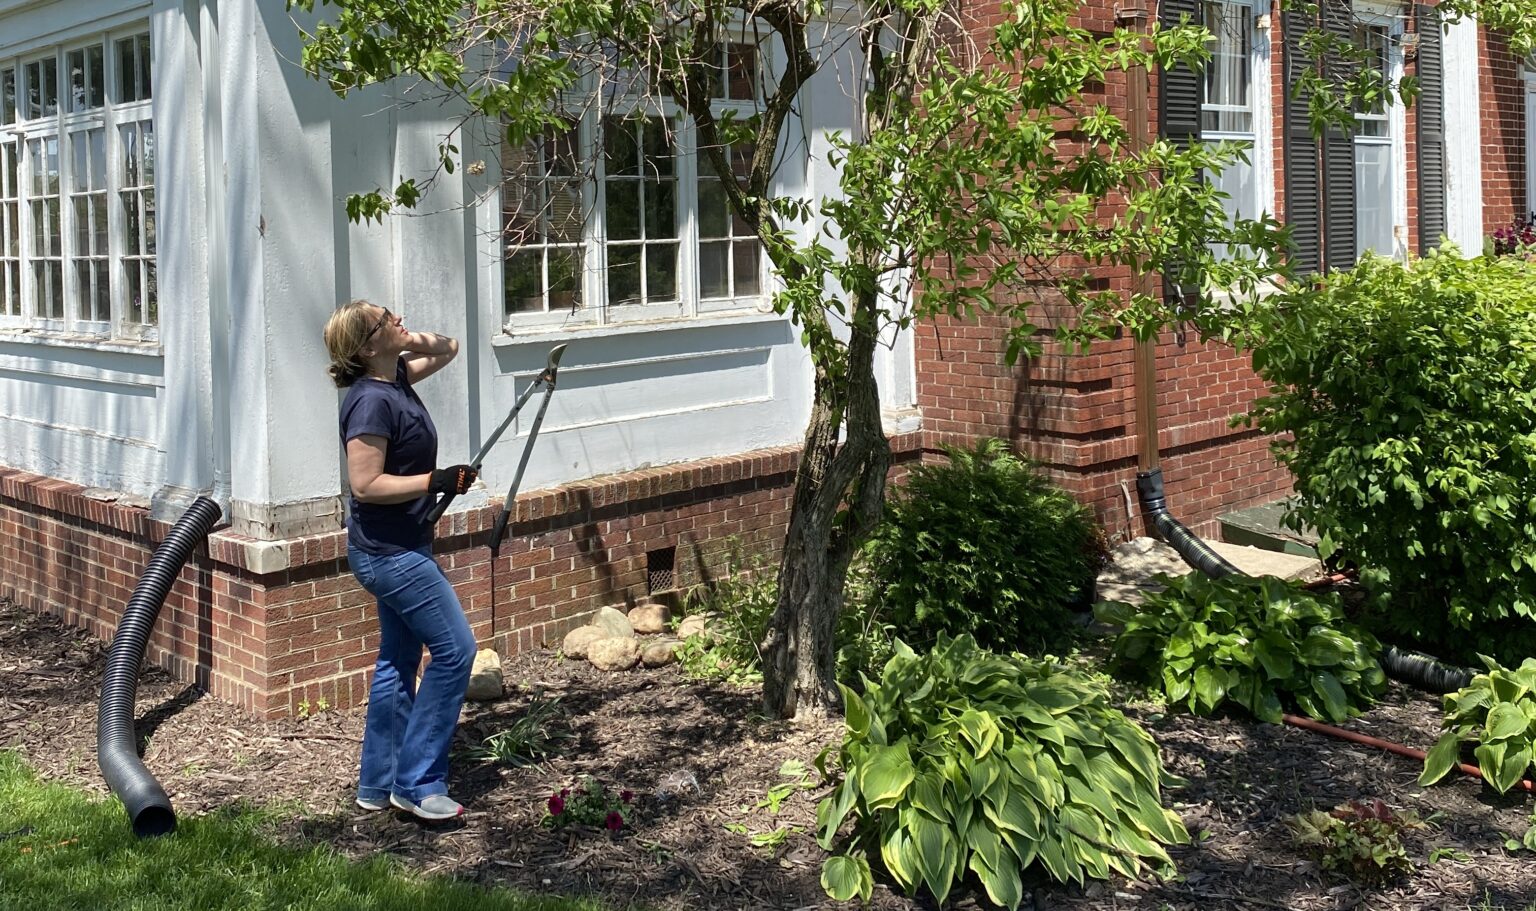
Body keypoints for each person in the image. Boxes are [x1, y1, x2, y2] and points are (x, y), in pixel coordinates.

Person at [322, 299, 479, 821]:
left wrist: (402, 340)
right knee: (456, 651)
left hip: (397, 545)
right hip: (391, 555)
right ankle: (417, 784)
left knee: (398, 660)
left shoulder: (397, 379)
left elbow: (452, 346)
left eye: (392, 311)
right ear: (368, 346)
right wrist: (435, 481)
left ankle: (380, 781)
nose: (398, 318)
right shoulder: (371, 402)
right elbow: (365, 484)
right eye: (385, 319)